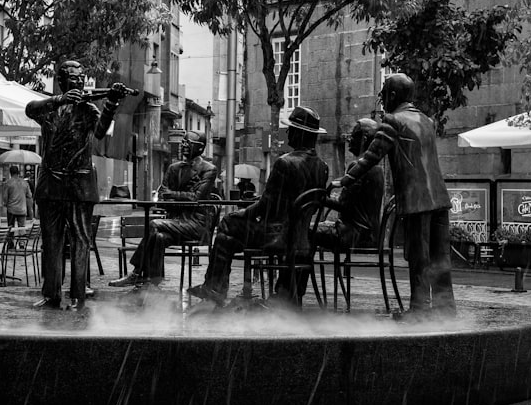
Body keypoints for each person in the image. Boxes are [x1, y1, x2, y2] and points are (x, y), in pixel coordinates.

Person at [331, 73, 456, 317]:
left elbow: (371, 156)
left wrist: (345, 179)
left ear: (393, 95)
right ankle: (445, 311)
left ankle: (419, 311)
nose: (382, 99)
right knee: (441, 258)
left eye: (384, 94)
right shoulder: (427, 120)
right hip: (440, 198)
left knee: (419, 257)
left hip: (417, 200)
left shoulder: (393, 121)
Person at [188, 106, 329, 307]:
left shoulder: (285, 163)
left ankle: (215, 289)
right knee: (227, 236)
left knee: (227, 225)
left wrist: (241, 214)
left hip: (276, 235)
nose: (287, 132)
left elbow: (265, 205)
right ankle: (217, 289)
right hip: (301, 236)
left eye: (290, 129)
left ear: (299, 133)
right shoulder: (323, 167)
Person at [25, 60, 129, 310]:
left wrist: (112, 103)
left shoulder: (88, 108)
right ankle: (51, 294)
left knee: (81, 241)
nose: (79, 81)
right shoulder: (50, 108)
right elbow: (30, 108)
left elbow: (102, 131)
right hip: (52, 183)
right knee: (51, 242)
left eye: (82, 77)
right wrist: (60, 100)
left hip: (79, 184)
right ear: (62, 81)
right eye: (73, 78)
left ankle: (78, 295)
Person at [108, 131, 219, 289]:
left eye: (189, 143)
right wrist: (178, 198)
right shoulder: (174, 168)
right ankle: (153, 282)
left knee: (154, 224)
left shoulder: (209, 169)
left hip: (196, 224)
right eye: (183, 142)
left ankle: (136, 273)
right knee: (158, 236)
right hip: (175, 222)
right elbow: (161, 197)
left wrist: (173, 196)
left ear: (200, 148)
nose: (184, 145)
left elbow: (195, 198)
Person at [313, 118, 385, 253]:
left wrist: (320, 197)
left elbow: (344, 206)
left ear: (364, 139)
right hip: (372, 236)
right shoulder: (378, 169)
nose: (348, 140)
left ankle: (299, 270)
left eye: (353, 135)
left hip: (351, 235)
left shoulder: (358, 167)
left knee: (304, 230)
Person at [1, 165, 33, 229]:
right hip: (22, 209)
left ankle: (10, 238)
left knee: (10, 229)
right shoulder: (24, 183)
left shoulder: (8, 183)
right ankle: (21, 238)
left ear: (10, 173)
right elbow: (29, 195)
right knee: (22, 229)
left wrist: (5, 204)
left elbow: (5, 197)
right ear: (18, 172)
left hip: (11, 209)